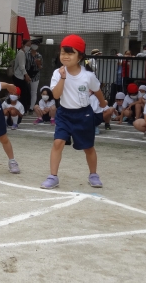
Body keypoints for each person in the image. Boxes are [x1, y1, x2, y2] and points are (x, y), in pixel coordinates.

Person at [40, 35, 106, 190]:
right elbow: (55, 95)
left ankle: (93, 175)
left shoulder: (88, 75)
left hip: (84, 114)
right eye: (63, 52)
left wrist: (103, 104)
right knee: (58, 142)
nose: (65, 56)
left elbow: (97, 90)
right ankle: (53, 176)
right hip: (64, 114)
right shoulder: (58, 73)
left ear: (80, 56)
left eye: (70, 53)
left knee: (88, 147)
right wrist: (63, 78)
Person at [13, 39, 32, 112]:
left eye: (29, 46)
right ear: (23, 45)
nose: (28, 47)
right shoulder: (21, 53)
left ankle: (23, 108)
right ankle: (22, 109)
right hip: (18, 77)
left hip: (20, 76)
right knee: (23, 93)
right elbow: (22, 66)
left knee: (25, 93)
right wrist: (26, 75)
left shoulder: (23, 53)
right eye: (27, 45)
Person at [26, 39, 43, 112]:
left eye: (36, 45)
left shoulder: (39, 56)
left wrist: (38, 64)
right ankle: (26, 105)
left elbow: (41, 67)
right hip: (27, 75)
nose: (35, 46)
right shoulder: (26, 54)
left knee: (34, 91)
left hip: (35, 75)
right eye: (33, 44)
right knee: (26, 91)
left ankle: (31, 108)